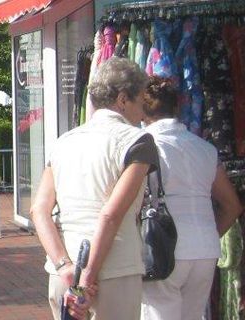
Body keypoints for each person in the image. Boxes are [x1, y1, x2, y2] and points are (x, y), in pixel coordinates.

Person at [30, 57, 157, 319]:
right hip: (115, 271)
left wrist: (65, 266)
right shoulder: (138, 141)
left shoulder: (63, 142)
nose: (143, 113)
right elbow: (111, 215)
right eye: (141, 101)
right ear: (123, 99)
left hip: (63, 273)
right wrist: (88, 276)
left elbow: (39, 211)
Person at [140, 77, 243, 320]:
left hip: (163, 245)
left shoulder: (144, 147)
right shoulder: (205, 149)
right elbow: (232, 206)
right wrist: (210, 233)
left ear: (143, 111)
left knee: (159, 313)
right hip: (205, 246)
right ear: (177, 108)